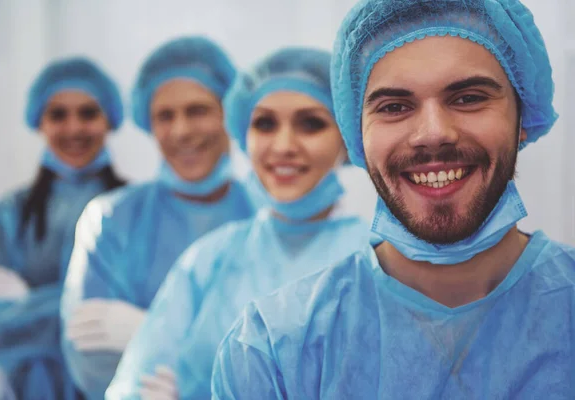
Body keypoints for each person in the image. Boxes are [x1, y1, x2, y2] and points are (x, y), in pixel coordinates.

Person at [211, 1, 575, 399]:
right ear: (357, 136)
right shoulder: (275, 350)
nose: (433, 133)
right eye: (395, 107)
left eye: (468, 98)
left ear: (522, 119)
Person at [105, 47, 372, 400]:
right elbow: (136, 382)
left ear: (347, 136)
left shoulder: (378, 261)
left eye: (311, 124)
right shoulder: (211, 257)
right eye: (264, 123)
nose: (283, 145)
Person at [60, 36, 256, 399]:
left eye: (197, 110)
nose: (181, 130)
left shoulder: (265, 217)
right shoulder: (110, 219)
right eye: (165, 116)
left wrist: (150, 333)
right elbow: (89, 356)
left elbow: (288, 354)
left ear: (228, 114)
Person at [0, 57, 126, 399]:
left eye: (88, 113)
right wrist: (78, 306)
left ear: (109, 120)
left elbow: (140, 303)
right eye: (58, 114)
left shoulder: (136, 209)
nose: (74, 128)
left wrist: (27, 304)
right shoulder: (7, 214)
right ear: (39, 121)